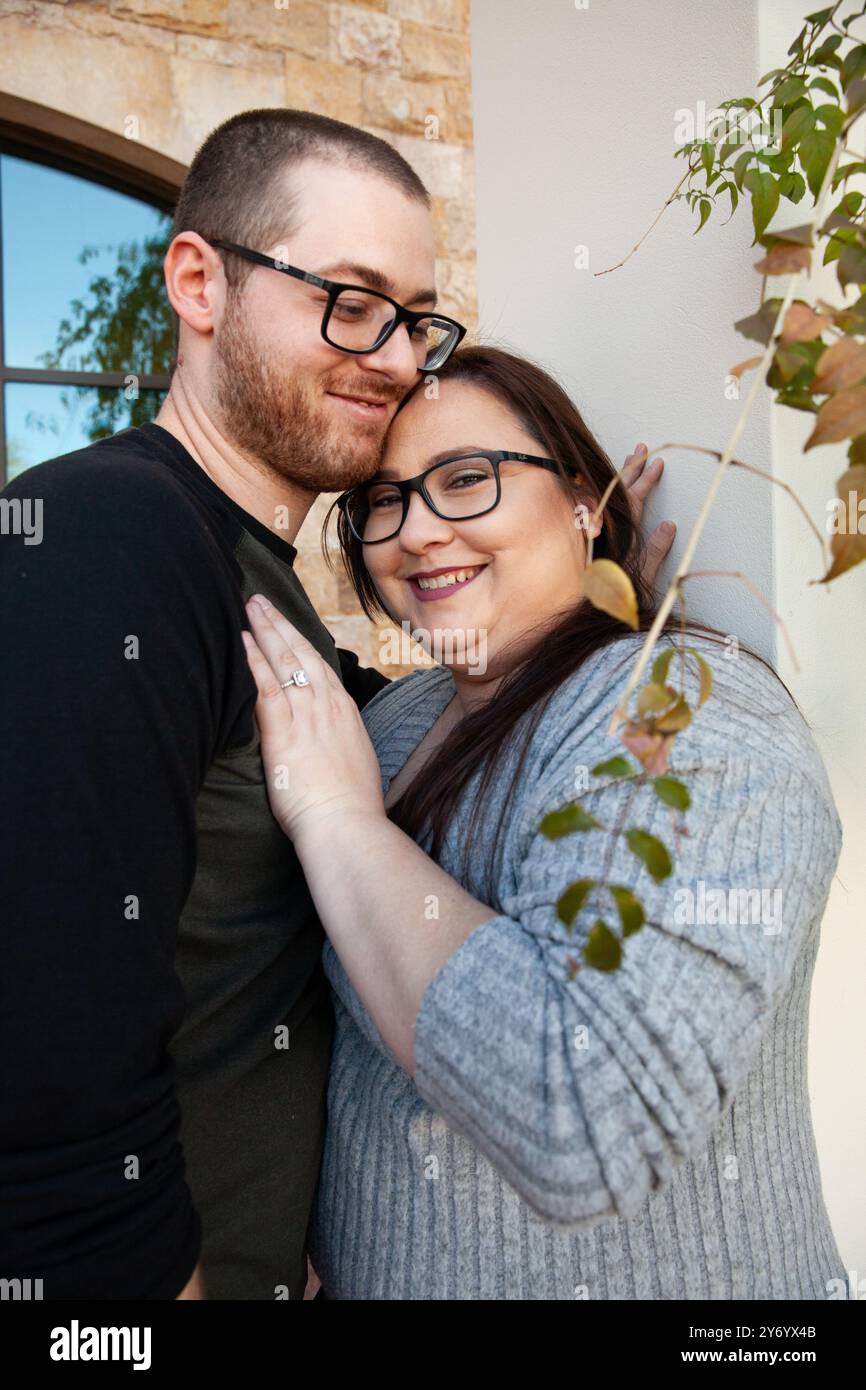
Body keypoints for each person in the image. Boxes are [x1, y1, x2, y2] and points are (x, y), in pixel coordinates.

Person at [0, 110, 672, 1299]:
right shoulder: (112, 535)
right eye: (349, 301)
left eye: (416, 319)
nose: (402, 357)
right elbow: (47, 1040)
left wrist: (588, 575)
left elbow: (413, 712)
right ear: (199, 284)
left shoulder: (259, 588)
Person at [242, 343, 849, 1300]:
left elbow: (585, 1114)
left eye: (468, 480)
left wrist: (336, 821)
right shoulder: (391, 723)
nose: (417, 533)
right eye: (385, 501)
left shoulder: (696, 715)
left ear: (586, 501)